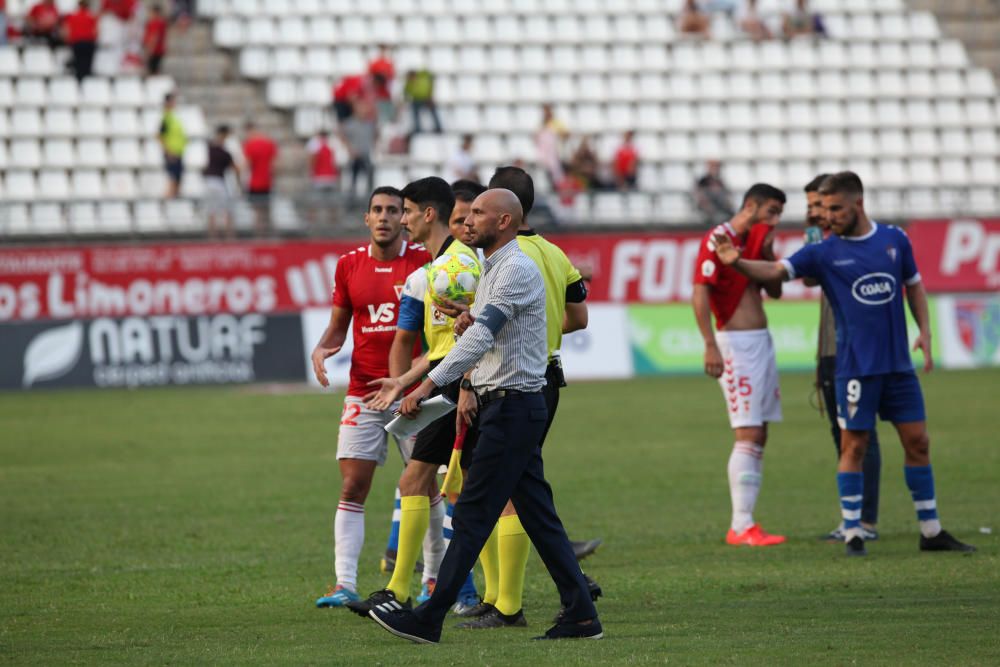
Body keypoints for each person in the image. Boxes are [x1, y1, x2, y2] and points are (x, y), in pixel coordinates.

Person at [366, 188, 603, 644]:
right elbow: (487, 330)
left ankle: (428, 617)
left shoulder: (514, 268)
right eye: (466, 213)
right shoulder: (494, 268)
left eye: (477, 213)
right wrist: (468, 319)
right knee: (538, 516)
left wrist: (429, 383)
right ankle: (582, 614)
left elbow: (480, 341)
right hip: (509, 405)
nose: (467, 221)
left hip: (513, 407)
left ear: (505, 223)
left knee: (473, 512)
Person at [713, 171, 976, 556]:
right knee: (853, 446)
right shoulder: (822, 251)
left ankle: (931, 530)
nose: (827, 215)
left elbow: (914, 284)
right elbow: (776, 272)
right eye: (823, 208)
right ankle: (854, 530)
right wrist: (737, 263)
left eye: (835, 208)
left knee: (918, 442)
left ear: (858, 204)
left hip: (899, 367)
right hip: (854, 368)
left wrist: (926, 331)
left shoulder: (894, 240)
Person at [449, 166, 598, 630]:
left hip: (506, 385)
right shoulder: (554, 254)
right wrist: (540, 333)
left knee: (489, 491)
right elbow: (579, 316)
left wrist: (465, 379)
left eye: (479, 208)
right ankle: (571, 594)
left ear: (504, 213)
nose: (471, 218)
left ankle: (502, 603)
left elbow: (486, 331)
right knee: (522, 489)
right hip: (547, 375)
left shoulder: (499, 259)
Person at [346, 177, 482, 618]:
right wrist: (403, 380)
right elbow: (445, 344)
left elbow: (474, 339)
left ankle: (404, 589)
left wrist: (448, 387)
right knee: (444, 485)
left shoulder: (453, 269)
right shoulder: (434, 269)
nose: (400, 220)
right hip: (446, 380)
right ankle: (462, 594)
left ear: (427, 214)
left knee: (434, 484)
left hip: (460, 385)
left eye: (405, 211)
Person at [311, 187, 438, 608]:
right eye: (377, 210)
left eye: (394, 210)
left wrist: (417, 383)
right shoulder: (349, 265)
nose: (384, 217)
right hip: (364, 391)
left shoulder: (424, 262)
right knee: (352, 485)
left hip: (414, 394)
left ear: (406, 218)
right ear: (366, 218)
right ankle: (343, 583)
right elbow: (339, 324)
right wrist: (323, 346)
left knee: (426, 487)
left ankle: (433, 580)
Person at [692, 183, 787, 547]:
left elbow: (776, 290)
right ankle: (740, 525)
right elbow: (700, 289)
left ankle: (748, 521)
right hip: (736, 346)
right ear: (751, 205)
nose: (775, 219)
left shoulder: (759, 237)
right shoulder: (718, 238)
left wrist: (764, 253)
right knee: (747, 432)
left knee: (759, 432)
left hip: (761, 342)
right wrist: (710, 345)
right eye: (771, 211)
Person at [803, 175, 881, 541]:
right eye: (811, 207)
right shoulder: (823, 245)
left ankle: (864, 520)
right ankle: (851, 517)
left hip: (852, 351)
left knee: (860, 435)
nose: (814, 213)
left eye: (818, 205)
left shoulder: (852, 244)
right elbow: (807, 281)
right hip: (830, 351)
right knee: (842, 433)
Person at [203, 124, 240, 239]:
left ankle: (212, 236)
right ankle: (229, 236)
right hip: (219, 182)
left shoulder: (210, 148)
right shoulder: (225, 153)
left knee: (211, 211)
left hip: (209, 182)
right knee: (227, 210)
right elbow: (235, 169)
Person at [242, 122, 279, 236]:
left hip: (254, 182)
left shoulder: (249, 145)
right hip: (267, 181)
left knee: (256, 210)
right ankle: (268, 233)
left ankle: (259, 234)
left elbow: (247, 165)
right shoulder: (269, 143)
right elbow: (276, 164)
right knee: (267, 209)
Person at [339, 98, 377, 203]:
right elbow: (341, 134)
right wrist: (349, 149)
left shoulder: (369, 123)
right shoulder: (350, 123)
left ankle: (369, 197)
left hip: (366, 154)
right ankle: (352, 197)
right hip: (355, 156)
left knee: (370, 174)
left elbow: (375, 135)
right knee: (353, 175)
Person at [159, 92, 186, 199]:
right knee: (173, 178)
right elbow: (159, 136)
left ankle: (175, 200)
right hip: (172, 153)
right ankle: (169, 200)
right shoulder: (166, 117)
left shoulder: (173, 116)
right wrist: (168, 151)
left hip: (178, 152)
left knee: (178, 178)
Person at [64, 1, 98, 81]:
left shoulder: (73, 16)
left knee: (79, 63)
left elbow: (67, 30)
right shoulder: (91, 16)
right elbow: (95, 31)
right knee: (87, 65)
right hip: (88, 42)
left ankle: (79, 80)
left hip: (77, 43)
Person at [694, 160, 735, 226]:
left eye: (716, 166)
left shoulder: (720, 181)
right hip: (710, 211)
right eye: (713, 166)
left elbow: (727, 197)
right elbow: (700, 197)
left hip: (721, 209)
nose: (715, 169)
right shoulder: (703, 181)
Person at [404, 69, 442, 135]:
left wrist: (429, 97)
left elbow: (425, 90)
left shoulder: (422, 80)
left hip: (426, 99)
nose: (410, 78)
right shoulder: (410, 82)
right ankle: (418, 128)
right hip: (417, 100)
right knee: (415, 111)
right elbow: (406, 92)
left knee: (433, 111)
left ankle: (438, 127)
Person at [368, 44, 396, 125]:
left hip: (386, 94)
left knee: (388, 116)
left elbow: (392, 77)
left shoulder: (389, 64)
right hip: (376, 95)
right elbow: (370, 78)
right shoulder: (374, 64)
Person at [142, 4, 168, 75]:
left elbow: (154, 37)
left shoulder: (156, 23)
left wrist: (149, 50)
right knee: (154, 70)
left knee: (153, 72)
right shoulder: (160, 22)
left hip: (155, 51)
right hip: (157, 50)